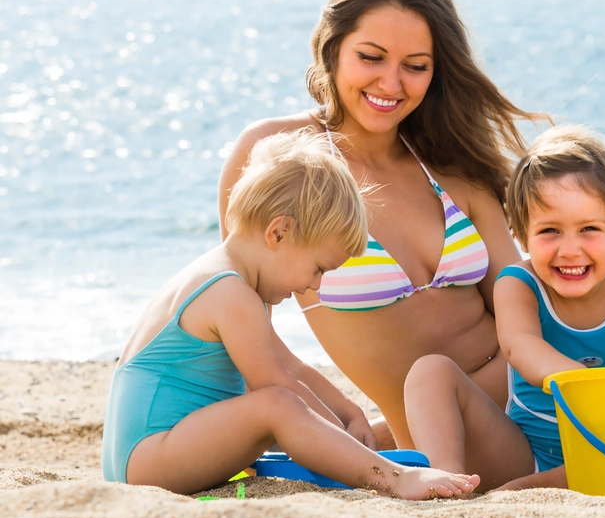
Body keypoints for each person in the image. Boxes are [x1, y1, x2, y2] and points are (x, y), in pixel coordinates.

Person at [218, 0, 543, 451]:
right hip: (447, 436)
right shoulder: (277, 156)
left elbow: (527, 305)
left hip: (533, 391)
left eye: (415, 67)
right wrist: (328, 419)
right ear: (332, 48)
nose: (391, 84)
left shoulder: (450, 168)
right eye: (370, 58)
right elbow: (237, 322)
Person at [102, 131, 479, 499]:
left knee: (280, 402)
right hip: (150, 460)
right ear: (279, 233)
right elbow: (279, 389)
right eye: (318, 267)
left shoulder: (225, 281)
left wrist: (349, 413)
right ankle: (395, 479)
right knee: (275, 404)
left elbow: (292, 368)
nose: (314, 285)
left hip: (143, 456)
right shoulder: (229, 292)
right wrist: (347, 446)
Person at [404, 125, 605, 491]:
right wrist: (584, 385)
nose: (570, 249)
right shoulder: (519, 284)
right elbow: (520, 345)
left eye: (589, 228)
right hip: (528, 451)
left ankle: (549, 486)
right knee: (430, 371)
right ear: (521, 233)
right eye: (550, 231)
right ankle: (448, 481)